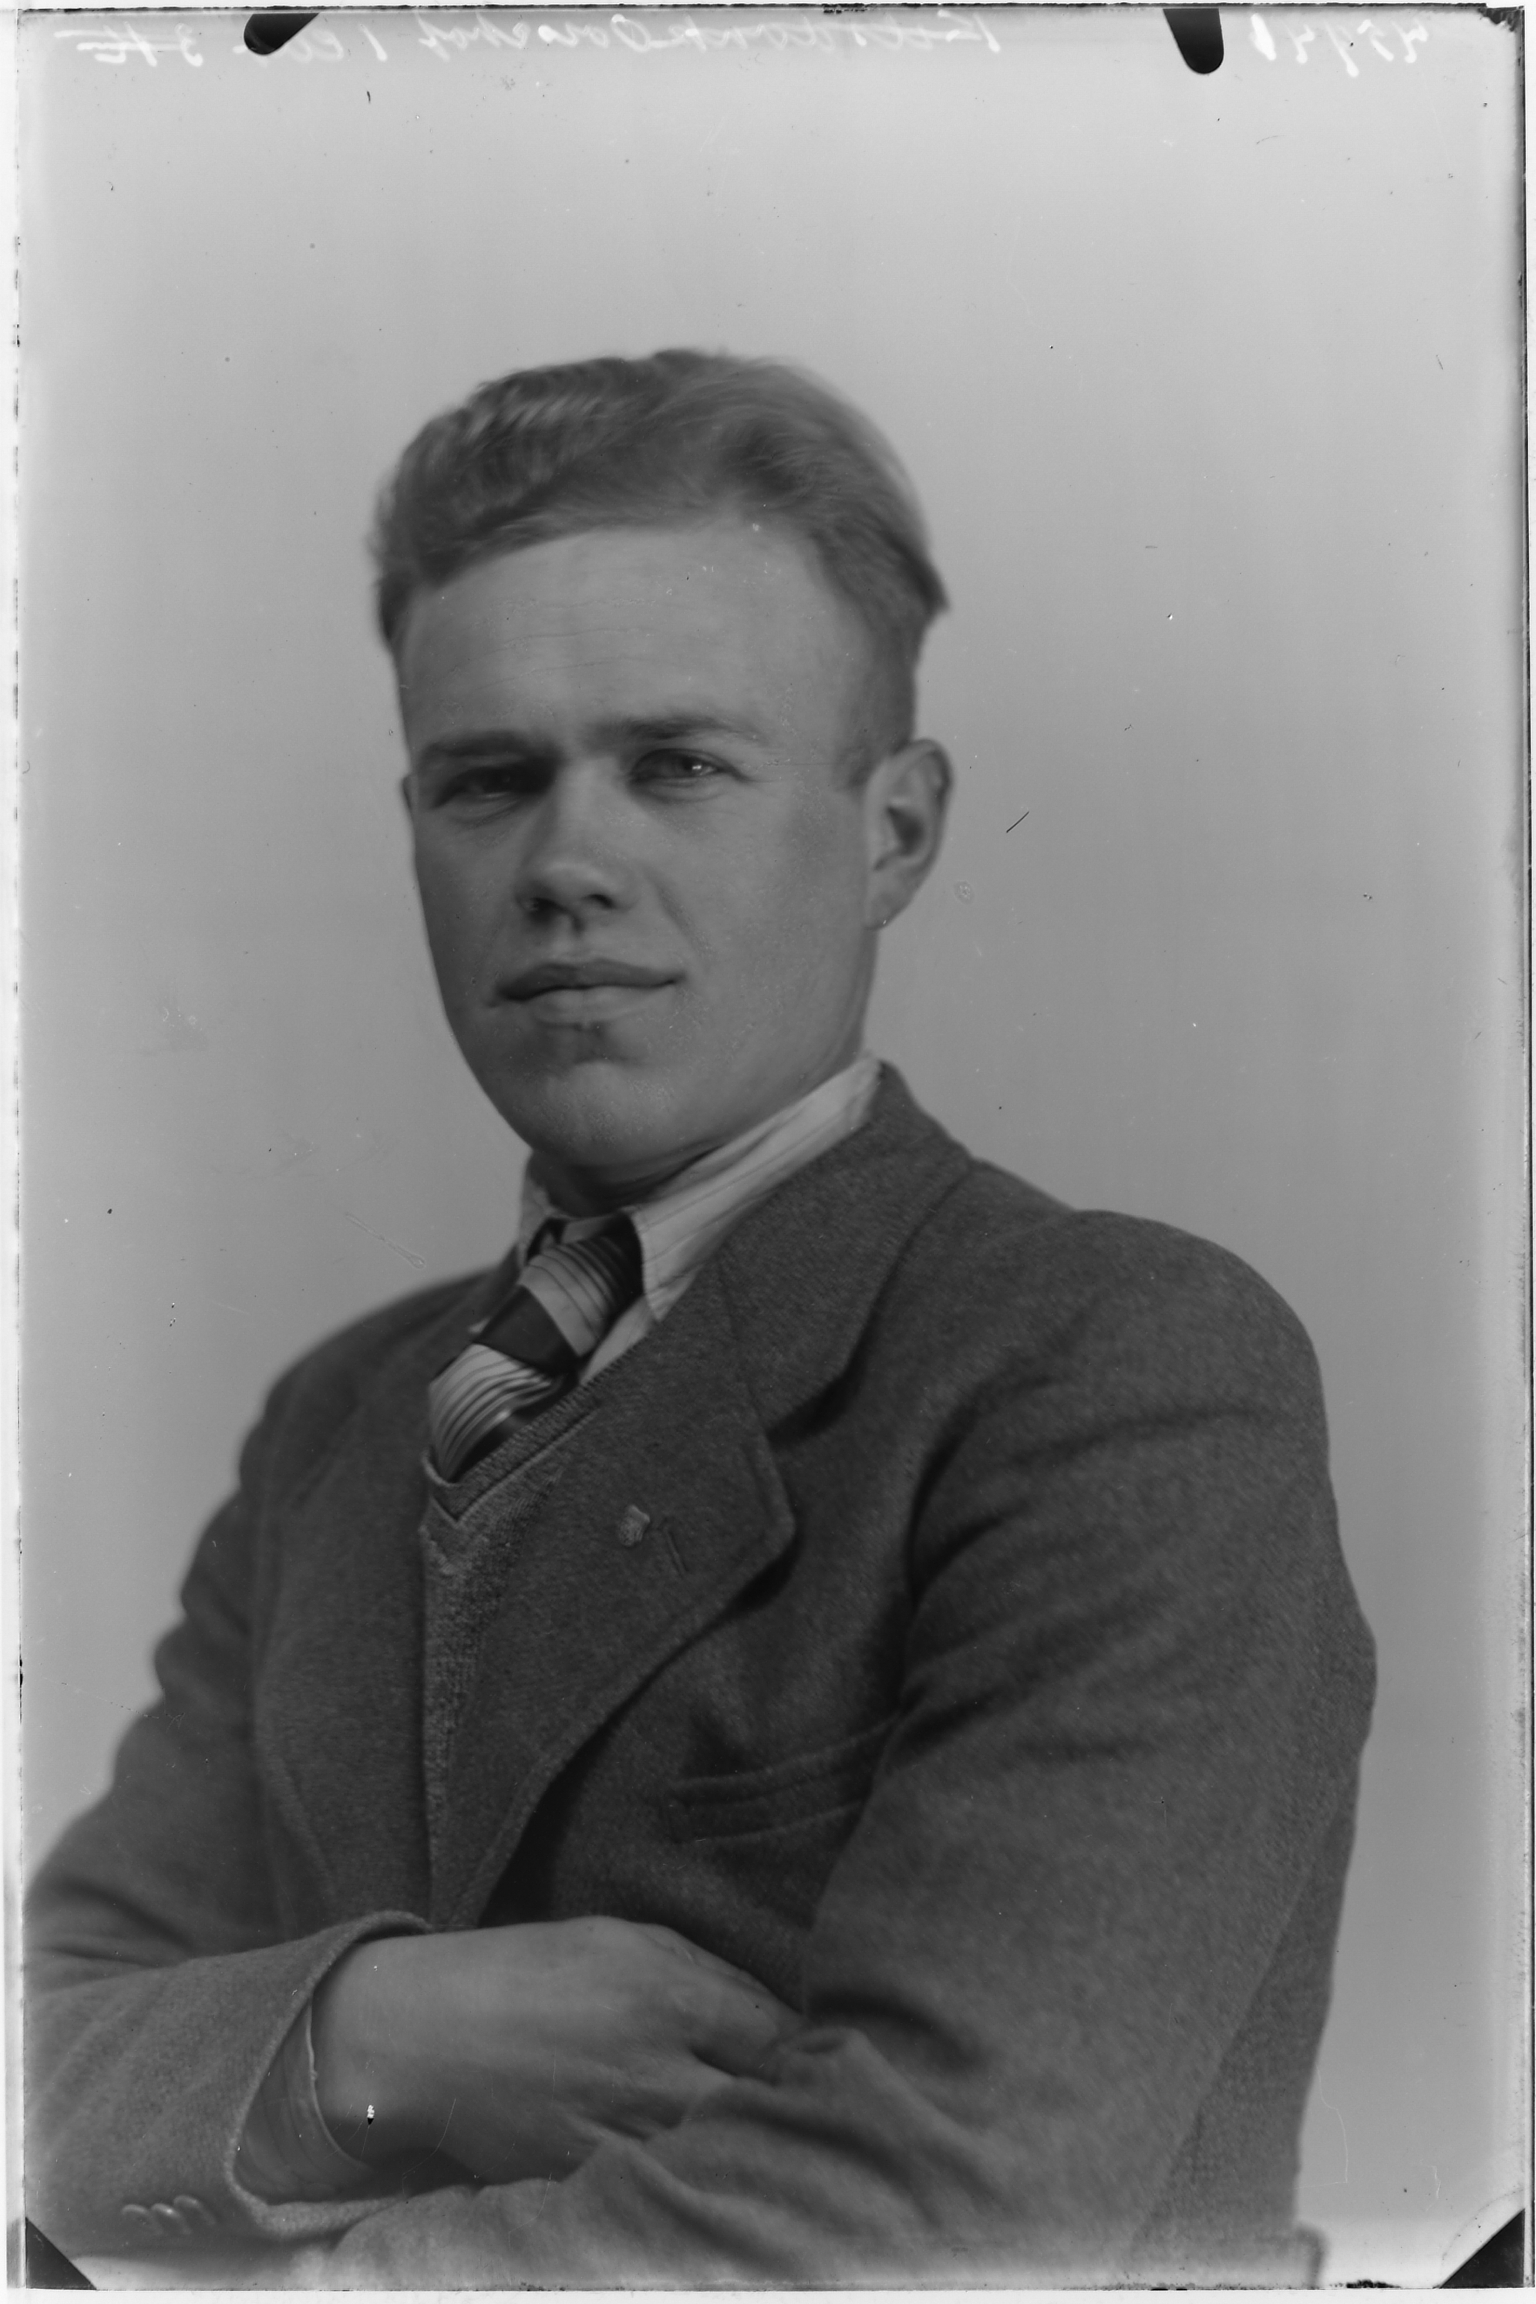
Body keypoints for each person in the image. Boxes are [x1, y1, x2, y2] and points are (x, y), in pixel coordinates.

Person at [27, 350, 1376, 2287]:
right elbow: (37, 2053)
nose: (567, 866)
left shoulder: (1111, 1370)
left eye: (676, 766)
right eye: (489, 780)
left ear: (896, 831)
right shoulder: (345, 1418)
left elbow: (929, 2220)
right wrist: (366, 2038)